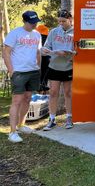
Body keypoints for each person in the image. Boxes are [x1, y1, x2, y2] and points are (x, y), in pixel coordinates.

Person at [2, 11, 42, 143]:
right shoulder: (15, 33)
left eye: (36, 21)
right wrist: (11, 70)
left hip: (33, 71)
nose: (35, 24)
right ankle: (12, 132)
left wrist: (38, 66)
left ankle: (21, 125)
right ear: (25, 21)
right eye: (32, 22)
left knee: (27, 98)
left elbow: (37, 51)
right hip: (19, 72)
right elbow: (6, 53)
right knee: (17, 101)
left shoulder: (37, 34)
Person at [42, 9, 74, 130]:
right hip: (54, 67)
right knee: (53, 93)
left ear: (70, 19)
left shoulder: (77, 32)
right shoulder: (53, 32)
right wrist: (44, 50)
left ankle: (69, 118)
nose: (61, 23)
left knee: (68, 93)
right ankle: (52, 119)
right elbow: (46, 47)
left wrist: (67, 54)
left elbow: (79, 51)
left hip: (68, 67)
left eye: (63, 21)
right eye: (59, 21)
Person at [36, 24, 50, 93]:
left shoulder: (37, 36)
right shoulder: (47, 37)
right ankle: (44, 86)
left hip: (39, 56)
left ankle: (39, 87)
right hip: (47, 56)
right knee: (45, 72)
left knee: (40, 71)